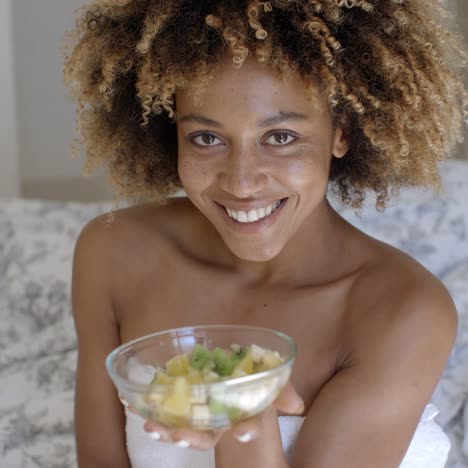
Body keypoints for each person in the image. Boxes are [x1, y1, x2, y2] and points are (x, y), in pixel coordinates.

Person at [62, 0, 468, 467]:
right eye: (207, 138)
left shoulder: (402, 309)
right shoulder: (113, 255)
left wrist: (246, 427)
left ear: (341, 133)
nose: (240, 182)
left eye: (280, 137)